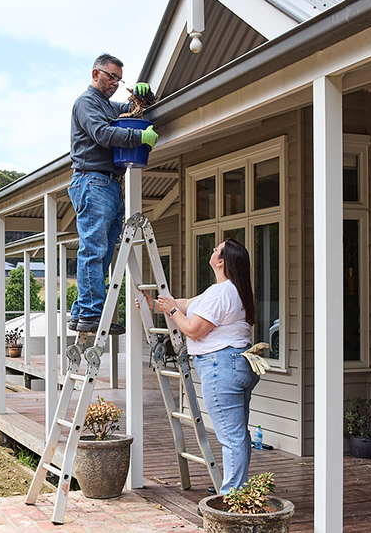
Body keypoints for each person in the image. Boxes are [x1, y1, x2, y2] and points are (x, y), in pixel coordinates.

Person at [145, 239, 260, 494]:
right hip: (237, 364)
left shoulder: (221, 293)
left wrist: (172, 311)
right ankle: (236, 489)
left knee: (231, 437)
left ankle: (231, 497)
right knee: (238, 434)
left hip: (222, 367)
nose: (212, 250)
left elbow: (193, 330)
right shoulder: (230, 289)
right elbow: (188, 304)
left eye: (216, 249)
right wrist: (155, 303)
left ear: (221, 261)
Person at [68, 53, 158, 334]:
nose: (115, 83)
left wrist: (146, 96)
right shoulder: (87, 103)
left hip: (107, 184)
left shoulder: (107, 105)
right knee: (93, 250)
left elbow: (131, 110)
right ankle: (93, 313)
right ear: (95, 74)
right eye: (111, 77)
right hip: (92, 181)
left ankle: (82, 311)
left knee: (103, 251)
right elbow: (103, 134)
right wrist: (138, 138)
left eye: (119, 79)